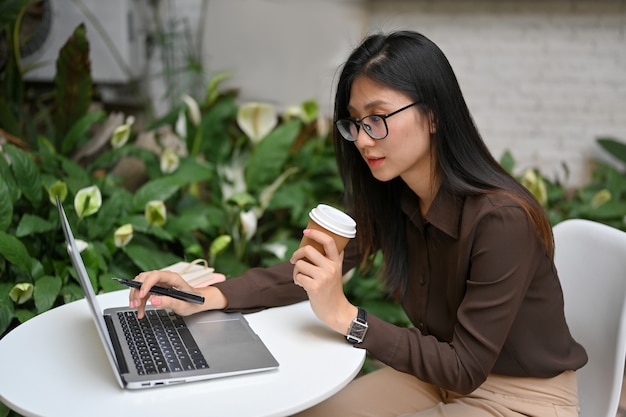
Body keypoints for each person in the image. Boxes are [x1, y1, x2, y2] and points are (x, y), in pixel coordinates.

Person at [129, 30, 587, 416]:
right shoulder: (396, 193)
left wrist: (346, 316)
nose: (364, 139)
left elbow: (467, 367)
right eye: (354, 123)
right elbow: (309, 269)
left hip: (523, 398)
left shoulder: (501, 220)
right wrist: (205, 295)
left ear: (434, 116)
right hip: (435, 376)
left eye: (378, 118)